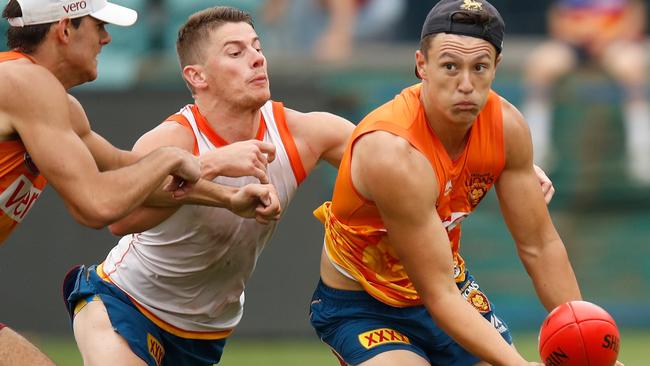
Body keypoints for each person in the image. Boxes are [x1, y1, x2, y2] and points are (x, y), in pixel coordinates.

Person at [62, 5, 558, 366]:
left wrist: (498, 166)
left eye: (258, 48)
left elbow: (395, 154)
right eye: (236, 53)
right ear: (197, 76)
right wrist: (209, 166)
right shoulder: (173, 138)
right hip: (123, 303)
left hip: (204, 333)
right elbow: (118, 219)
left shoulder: (300, 131)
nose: (257, 60)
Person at [309, 0, 593, 364]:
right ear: (421, 65)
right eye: (449, 66)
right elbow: (438, 294)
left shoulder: (506, 126)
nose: (466, 84)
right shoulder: (394, 152)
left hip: (450, 285)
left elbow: (540, 245)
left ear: (497, 67)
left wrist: (586, 340)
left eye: (480, 67)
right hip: (365, 306)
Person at [0, 0, 281, 365]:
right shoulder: (26, 82)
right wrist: (177, 158)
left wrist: (225, 195)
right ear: (65, 29)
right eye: (99, 26)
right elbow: (96, 204)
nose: (106, 38)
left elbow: (125, 168)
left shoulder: (50, 100)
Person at [521, 0, 649, 184]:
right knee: (541, 64)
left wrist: (606, 38)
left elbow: (634, 17)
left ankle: (641, 152)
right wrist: (580, 37)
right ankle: (535, 150)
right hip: (574, 45)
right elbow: (557, 20)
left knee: (632, 65)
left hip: (615, 44)